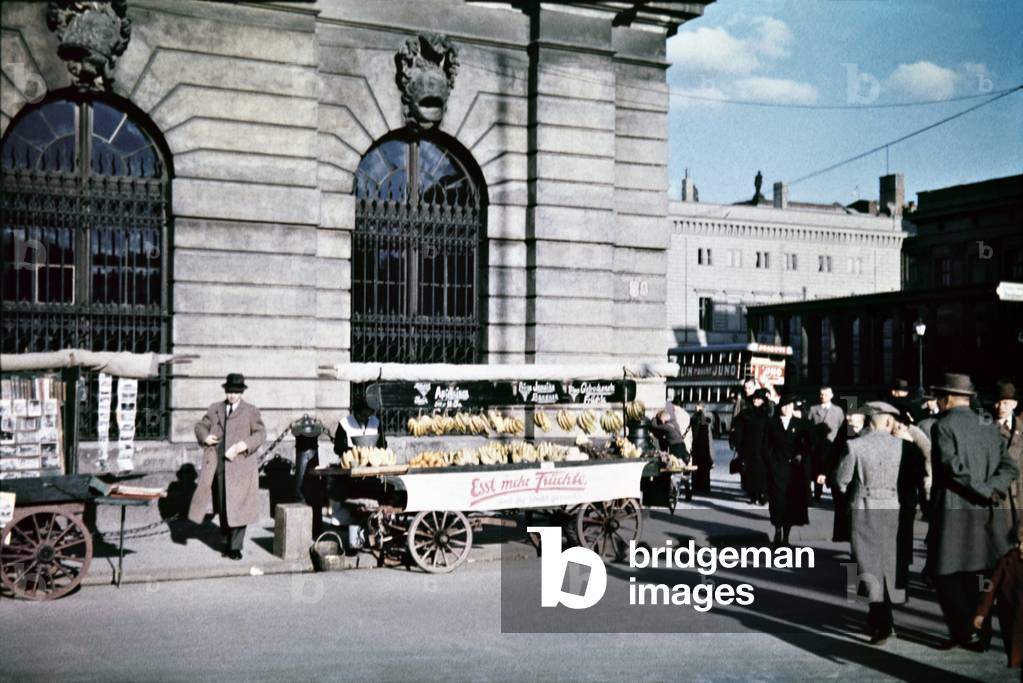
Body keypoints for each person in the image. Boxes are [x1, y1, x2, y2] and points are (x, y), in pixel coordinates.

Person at [927, 373, 1019, 651]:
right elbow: (1010, 467)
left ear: (947, 398)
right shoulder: (988, 424)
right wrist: (991, 489)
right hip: (989, 512)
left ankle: (965, 631)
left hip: (953, 512)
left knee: (946, 575)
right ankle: (982, 634)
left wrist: (981, 488)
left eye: (939, 397)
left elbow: (951, 467)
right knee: (982, 575)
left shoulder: (942, 426)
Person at [835, 401, 905, 645]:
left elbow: (842, 478)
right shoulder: (900, 445)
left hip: (864, 507)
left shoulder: (855, 445)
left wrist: (846, 491)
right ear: (887, 420)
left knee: (867, 565)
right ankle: (884, 619)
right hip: (891, 506)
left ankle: (882, 622)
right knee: (886, 564)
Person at [187, 373, 266, 560]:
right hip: (219, 466)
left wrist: (244, 445)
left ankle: (235, 547)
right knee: (223, 505)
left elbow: (261, 433)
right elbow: (200, 426)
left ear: (241, 392)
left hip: (241, 468)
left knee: (239, 507)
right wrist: (205, 436)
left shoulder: (250, 411)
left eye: (236, 392)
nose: (232, 395)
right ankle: (225, 540)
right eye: (229, 391)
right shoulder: (216, 409)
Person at [765, 392, 812, 547]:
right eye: (784, 406)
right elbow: (766, 446)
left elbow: (808, 443)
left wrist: (801, 454)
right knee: (777, 501)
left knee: (790, 504)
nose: (787, 409)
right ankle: (777, 532)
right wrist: (771, 462)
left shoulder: (800, 424)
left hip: (793, 471)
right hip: (777, 468)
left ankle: (786, 537)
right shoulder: (772, 423)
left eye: (790, 406)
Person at [892, 413, 931, 596]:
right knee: (900, 543)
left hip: (901, 501)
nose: (898, 427)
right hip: (901, 501)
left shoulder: (913, 443)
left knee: (900, 542)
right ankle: (899, 585)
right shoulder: (911, 448)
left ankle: (898, 583)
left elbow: (924, 472)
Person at [973, 530, 1023, 668]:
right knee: (1016, 655)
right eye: (1018, 542)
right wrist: (981, 613)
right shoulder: (1007, 561)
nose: (1021, 547)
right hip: (1013, 620)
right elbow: (990, 588)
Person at [731, 388, 770, 505]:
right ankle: (752, 495)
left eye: (759, 399)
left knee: (761, 472)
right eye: (755, 399)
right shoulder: (745, 414)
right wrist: (737, 443)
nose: (756, 401)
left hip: (762, 448)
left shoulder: (766, 415)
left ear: (763, 401)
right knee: (749, 472)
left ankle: (762, 494)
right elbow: (737, 429)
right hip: (747, 447)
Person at [808, 386, 846, 504]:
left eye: (825, 394)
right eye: (821, 394)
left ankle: (835, 496)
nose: (822, 396)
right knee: (817, 470)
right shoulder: (813, 409)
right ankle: (817, 495)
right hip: (817, 447)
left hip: (833, 445)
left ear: (831, 395)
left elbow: (842, 428)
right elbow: (808, 426)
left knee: (833, 470)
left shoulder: (838, 411)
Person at [994, 380, 1022, 533]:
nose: (1000, 407)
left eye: (1005, 403)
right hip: (1000, 497)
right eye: (998, 402)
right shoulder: (987, 428)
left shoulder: (1021, 428)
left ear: (1014, 404)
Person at [691, 402, 714, 494]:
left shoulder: (695, 418)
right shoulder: (707, 419)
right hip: (705, 448)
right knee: (705, 468)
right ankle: (705, 487)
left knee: (697, 467)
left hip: (697, 446)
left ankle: (696, 487)